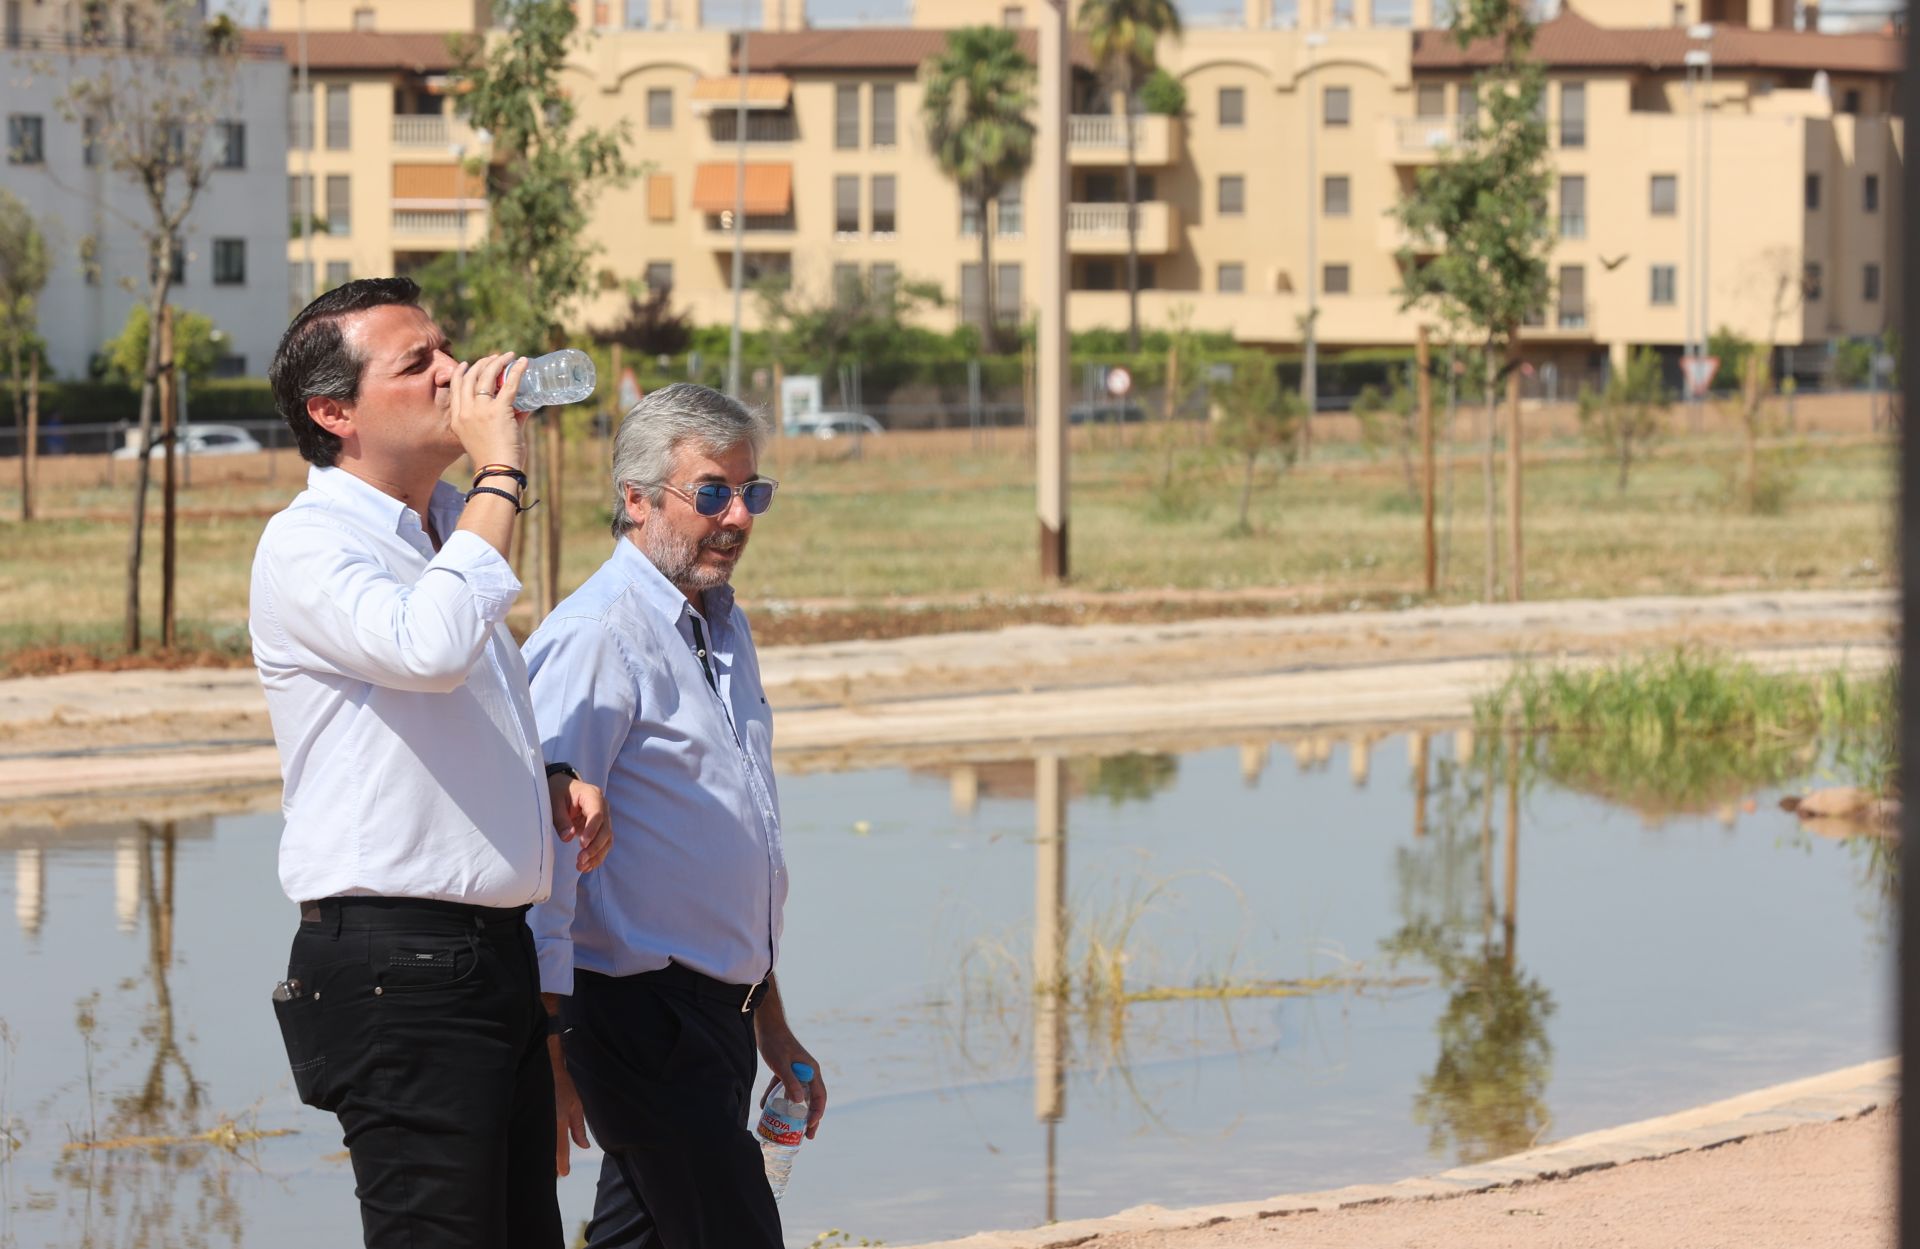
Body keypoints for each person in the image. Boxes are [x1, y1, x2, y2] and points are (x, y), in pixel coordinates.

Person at [251, 277, 612, 1249]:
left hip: (486, 958)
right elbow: (431, 648)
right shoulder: (309, 543)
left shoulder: (441, 528)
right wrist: (503, 476)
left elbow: (441, 713)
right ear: (335, 413)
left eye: (447, 350)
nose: (455, 374)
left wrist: (541, 784)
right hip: (395, 971)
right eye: (419, 365)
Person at [525, 382, 822, 1249]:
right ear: (636, 498)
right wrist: (547, 1050)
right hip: (634, 1015)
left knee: (644, 1235)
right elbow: (544, 858)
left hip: (714, 1017)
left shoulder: (721, 627)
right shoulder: (595, 635)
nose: (737, 516)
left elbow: (738, 846)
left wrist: (770, 1020)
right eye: (712, 492)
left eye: (751, 492)